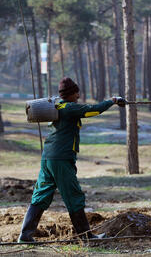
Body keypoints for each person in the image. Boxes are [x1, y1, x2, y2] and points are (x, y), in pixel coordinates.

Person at [18, 77, 125, 242]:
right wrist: (113, 101)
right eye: (76, 92)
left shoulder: (56, 105)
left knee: (41, 195)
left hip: (48, 158)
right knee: (74, 196)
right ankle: (87, 237)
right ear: (70, 94)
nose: (78, 95)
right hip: (61, 159)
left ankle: (25, 236)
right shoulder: (69, 108)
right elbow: (92, 110)